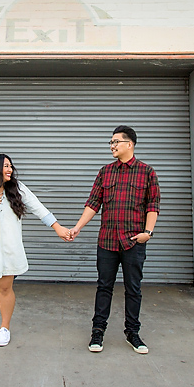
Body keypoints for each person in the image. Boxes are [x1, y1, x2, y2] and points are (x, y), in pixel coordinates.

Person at [0, 154, 71, 347]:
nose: (10, 169)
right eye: (5, 166)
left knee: (4, 289)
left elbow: (39, 208)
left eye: (10, 166)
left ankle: (5, 328)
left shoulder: (17, 190)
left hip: (10, 250)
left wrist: (57, 227)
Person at [69, 126, 160, 354]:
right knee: (104, 287)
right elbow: (93, 204)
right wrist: (77, 227)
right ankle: (97, 332)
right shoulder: (105, 172)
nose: (112, 146)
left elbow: (153, 206)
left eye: (116, 142)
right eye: (110, 142)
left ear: (130, 144)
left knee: (133, 289)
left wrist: (147, 234)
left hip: (134, 242)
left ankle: (133, 333)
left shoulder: (147, 172)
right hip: (107, 241)